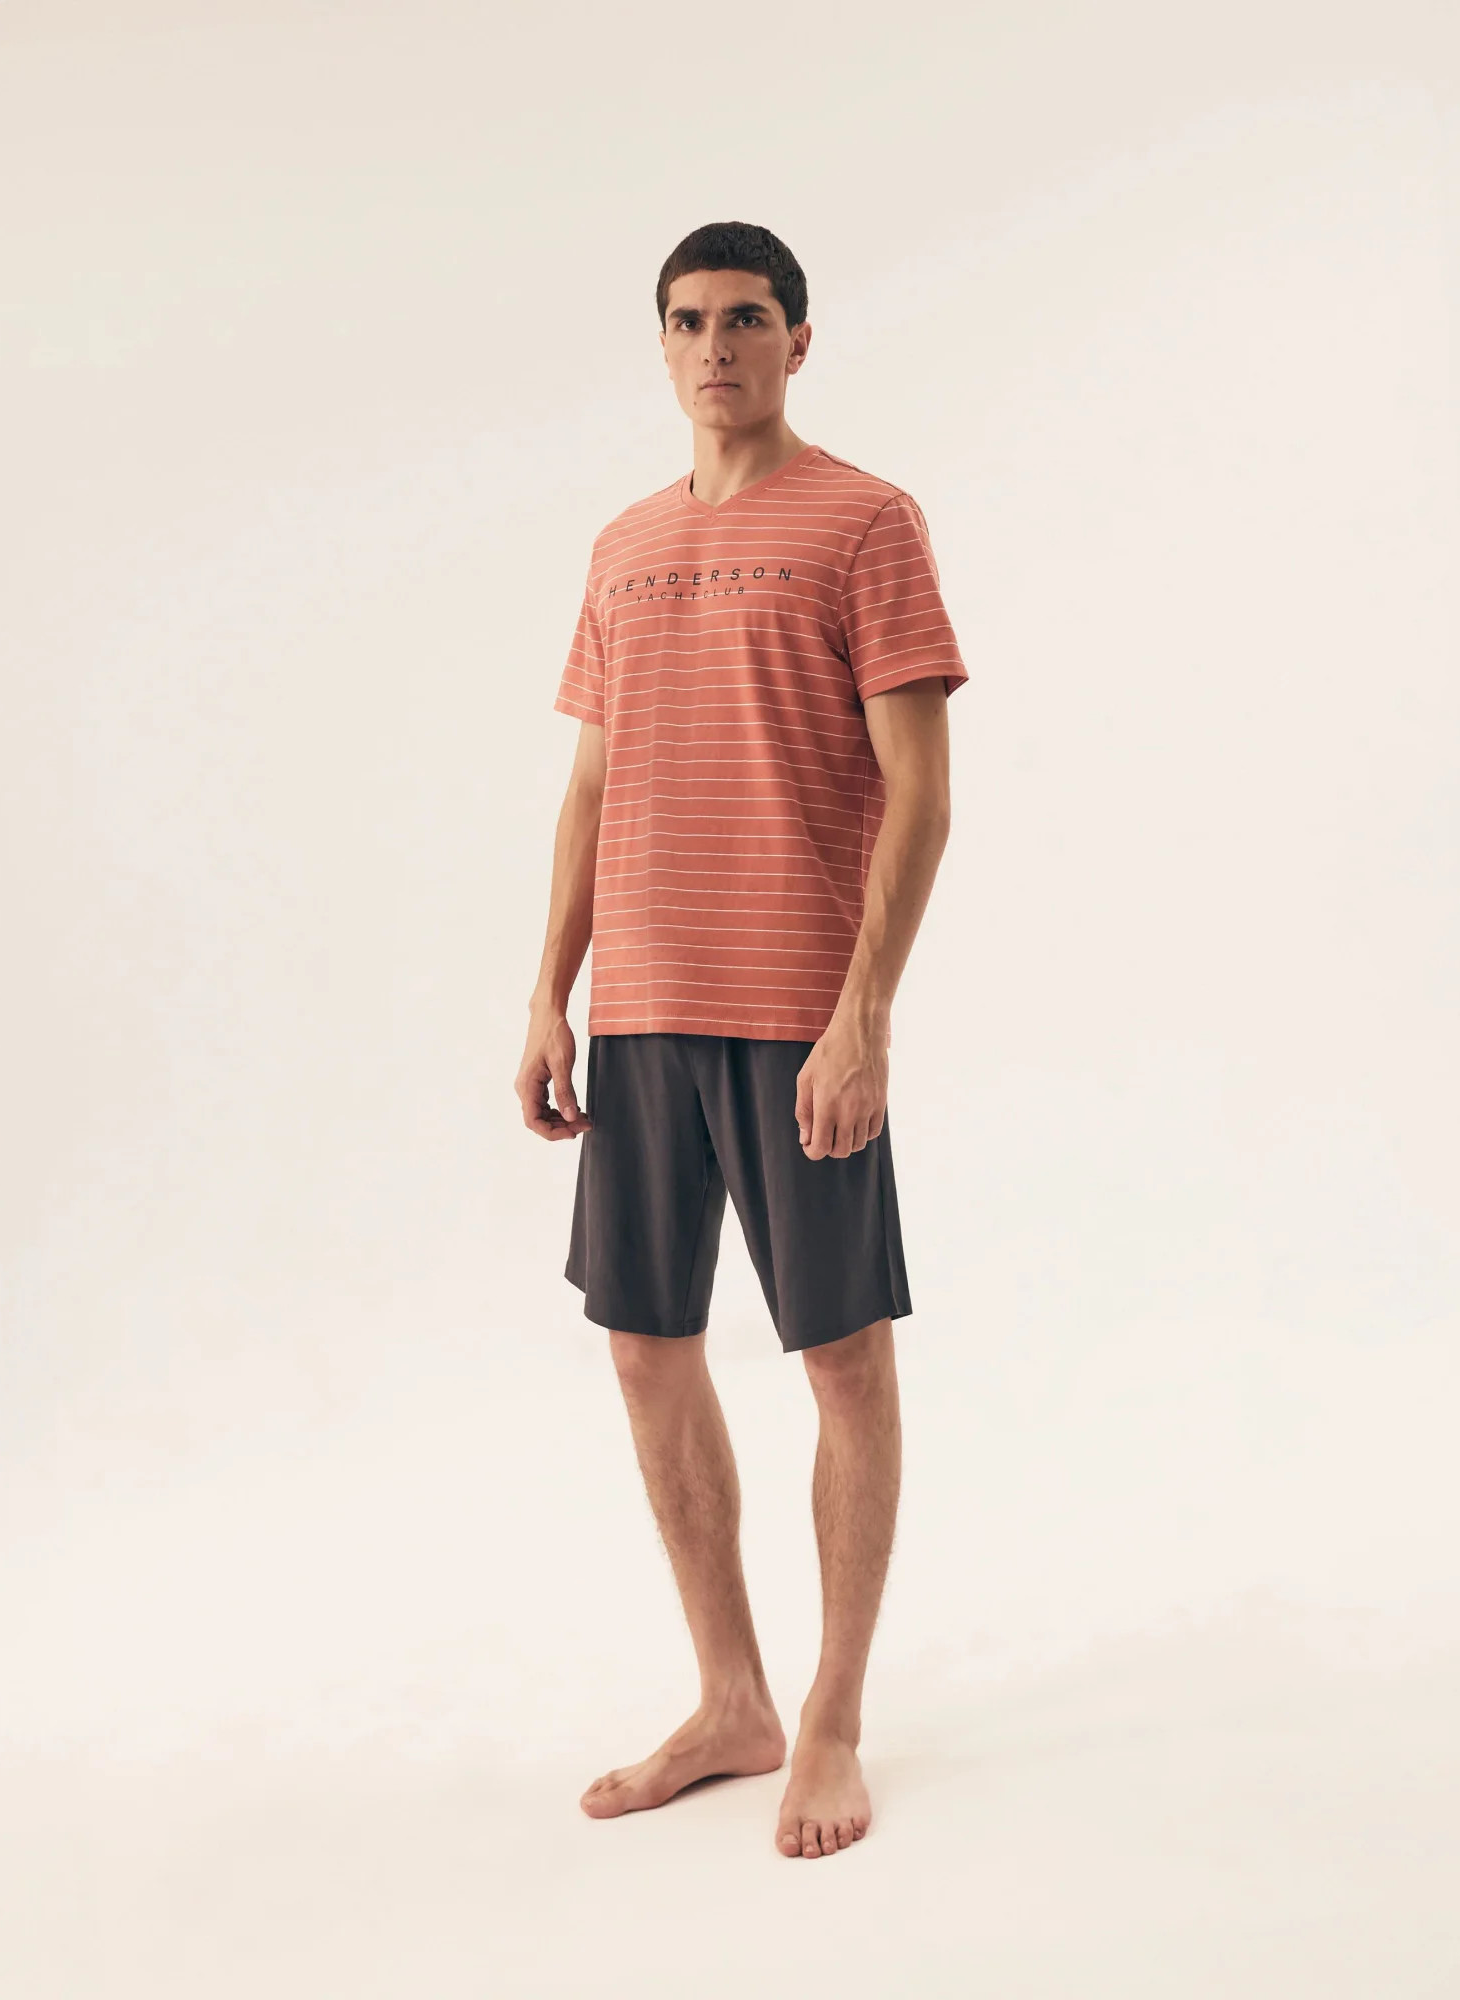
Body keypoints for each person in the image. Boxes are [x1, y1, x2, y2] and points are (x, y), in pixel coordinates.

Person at [515, 220, 969, 1861]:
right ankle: (732, 1699)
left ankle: (830, 1715)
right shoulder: (624, 543)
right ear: (662, 344)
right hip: (640, 1010)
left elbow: (919, 793)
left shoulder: (865, 522)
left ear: (798, 339)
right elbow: (591, 785)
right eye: (690, 320)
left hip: (795, 1016)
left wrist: (864, 1020)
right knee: (647, 1347)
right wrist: (550, 993)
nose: (718, 345)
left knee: (840, 1357)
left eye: (749, 317)